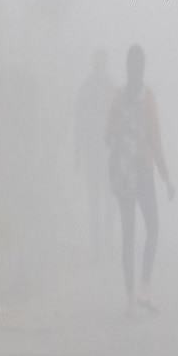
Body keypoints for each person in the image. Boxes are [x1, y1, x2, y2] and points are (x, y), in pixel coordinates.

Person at [106, 44, 174, 316]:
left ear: (126, 67)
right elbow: (155, 142)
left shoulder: (118, 98)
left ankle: (130, 299)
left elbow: (107, 136)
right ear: (143, 68)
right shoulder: (148, 99)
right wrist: (167, 178)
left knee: (128, 234)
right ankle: (145, 286)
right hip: (144, 172)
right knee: (153, 227)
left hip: (123, 174)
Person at [74, 49, 116, 262]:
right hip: (97, 153)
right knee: (98, 201)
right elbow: (79, 122)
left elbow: (120, 123)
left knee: (104, 201)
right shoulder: (95, 89)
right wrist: (77, 152)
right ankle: (99, 246)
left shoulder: (104, 89)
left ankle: (103, 245)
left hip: (105, 154)